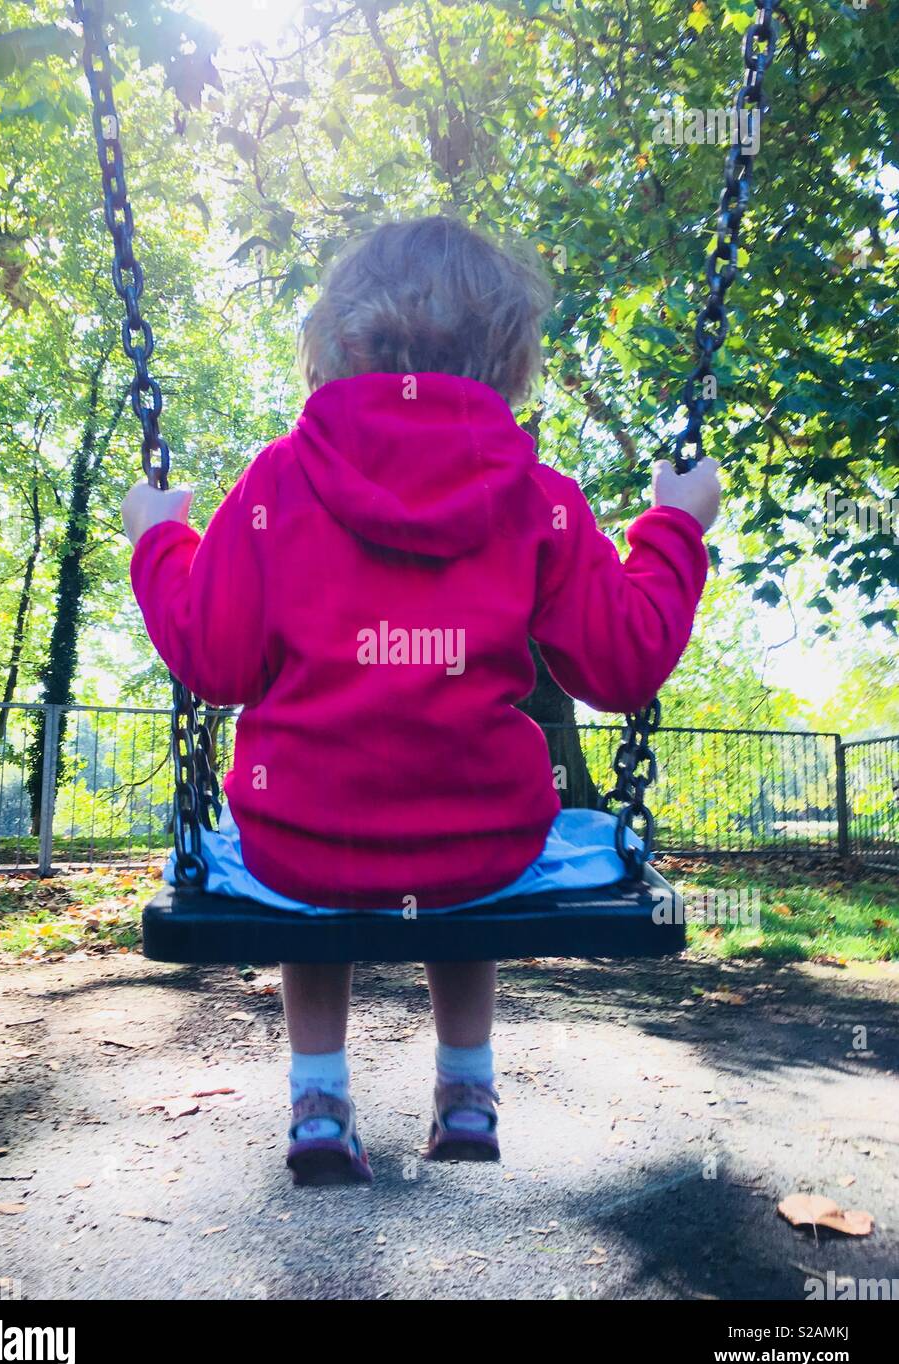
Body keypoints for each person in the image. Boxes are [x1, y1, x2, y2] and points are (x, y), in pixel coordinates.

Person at [122, 215, 718, 1186]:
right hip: (483, 847)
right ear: (510, 356)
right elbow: (625, 664)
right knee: (465, 842)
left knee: (310, 863)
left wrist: (159, 538)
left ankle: (319, 1107)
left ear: (340, 341)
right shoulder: (539, 494)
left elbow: (212, 659)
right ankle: (468, 1090)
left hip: (298, 845)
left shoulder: (280, 480)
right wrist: (675, 528)